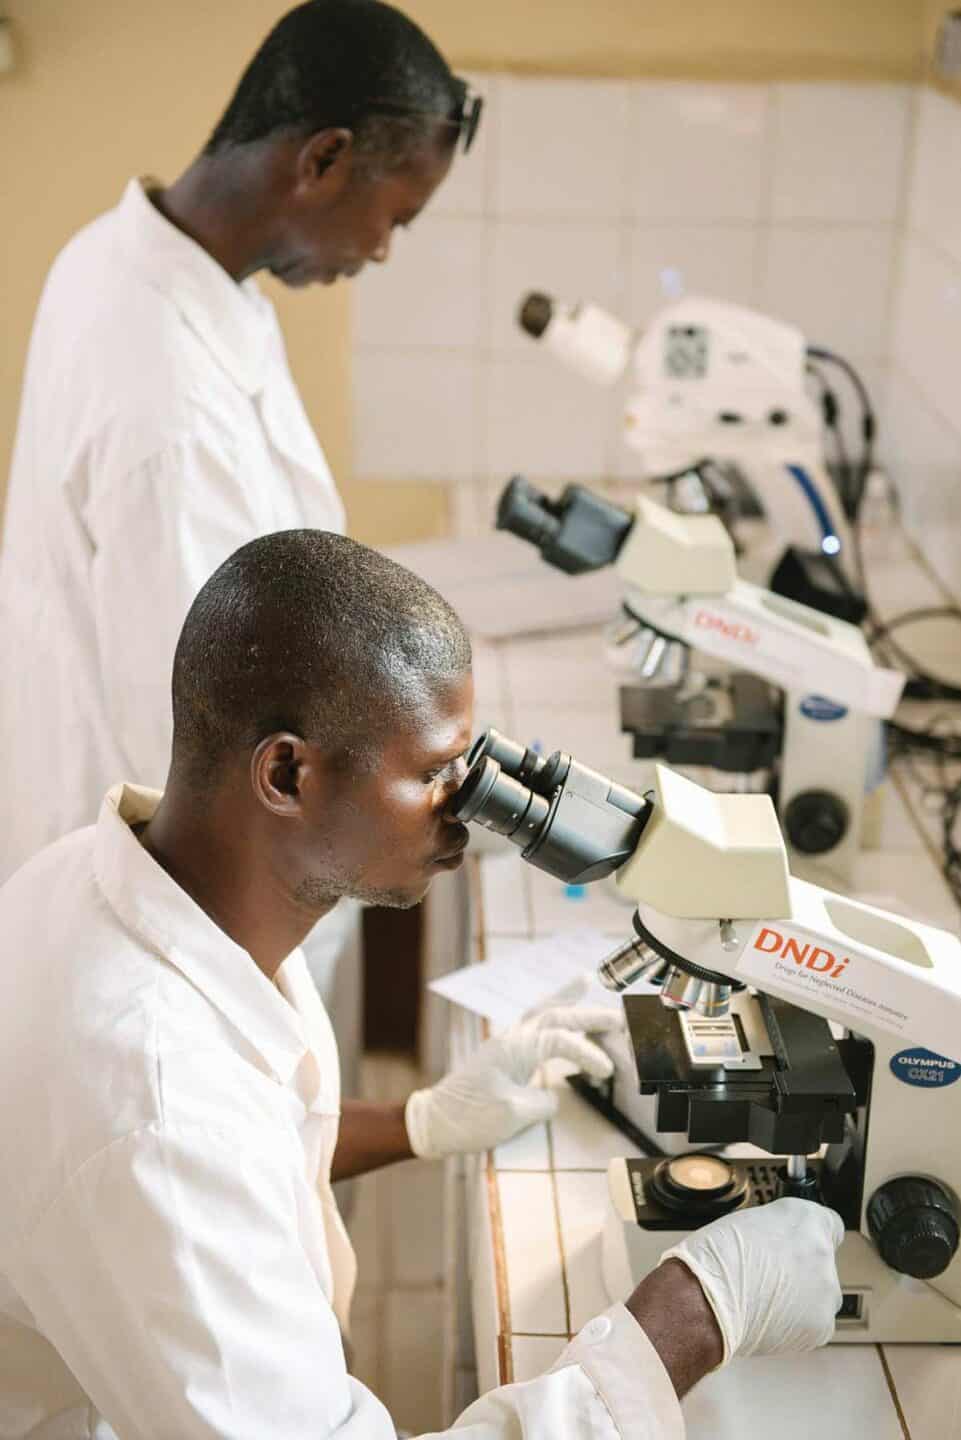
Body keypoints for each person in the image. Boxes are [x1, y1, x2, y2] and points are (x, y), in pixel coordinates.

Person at [0, 530, 845, 1439]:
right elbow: (191, 1148)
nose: (469, 809)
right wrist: (690, 1318)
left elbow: (246, 1145)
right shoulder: (155, 1114)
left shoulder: (91, 876)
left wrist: (421, 1122)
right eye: (437, 770)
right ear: (287, 773)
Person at [0, 0, 479, 1000]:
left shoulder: (136, 260)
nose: (384, 251)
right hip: (180, 929)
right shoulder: (168, 408)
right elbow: (216, 744)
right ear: (324, 159)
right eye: (394, 215)